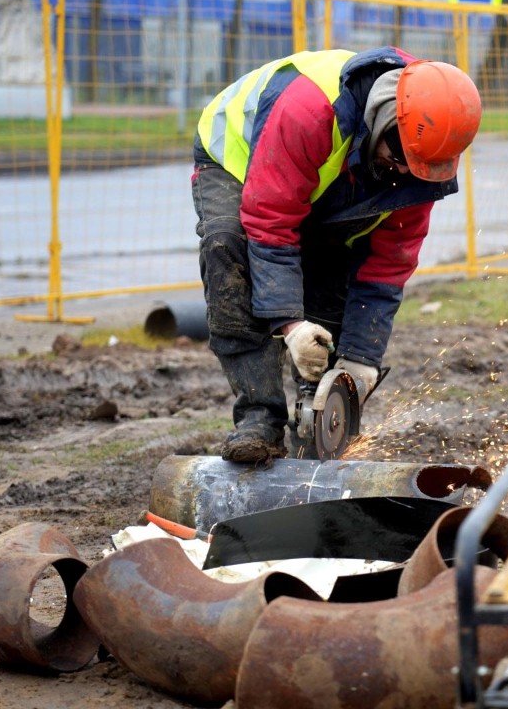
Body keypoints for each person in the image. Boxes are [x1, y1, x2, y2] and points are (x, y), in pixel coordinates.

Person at [191, 47, 482, 463]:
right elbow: (271, 225)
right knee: (229, 251)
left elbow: (386, 268)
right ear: (385, 120)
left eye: (416, 167)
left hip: (322, 172)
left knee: (331, 263)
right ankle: (259, 418)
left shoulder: (417, 163)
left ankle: (313, 407)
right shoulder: (310, 111)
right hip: (235, 160)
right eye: (399, 158)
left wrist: (361, 359)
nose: (403, 172)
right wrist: (291, 325)